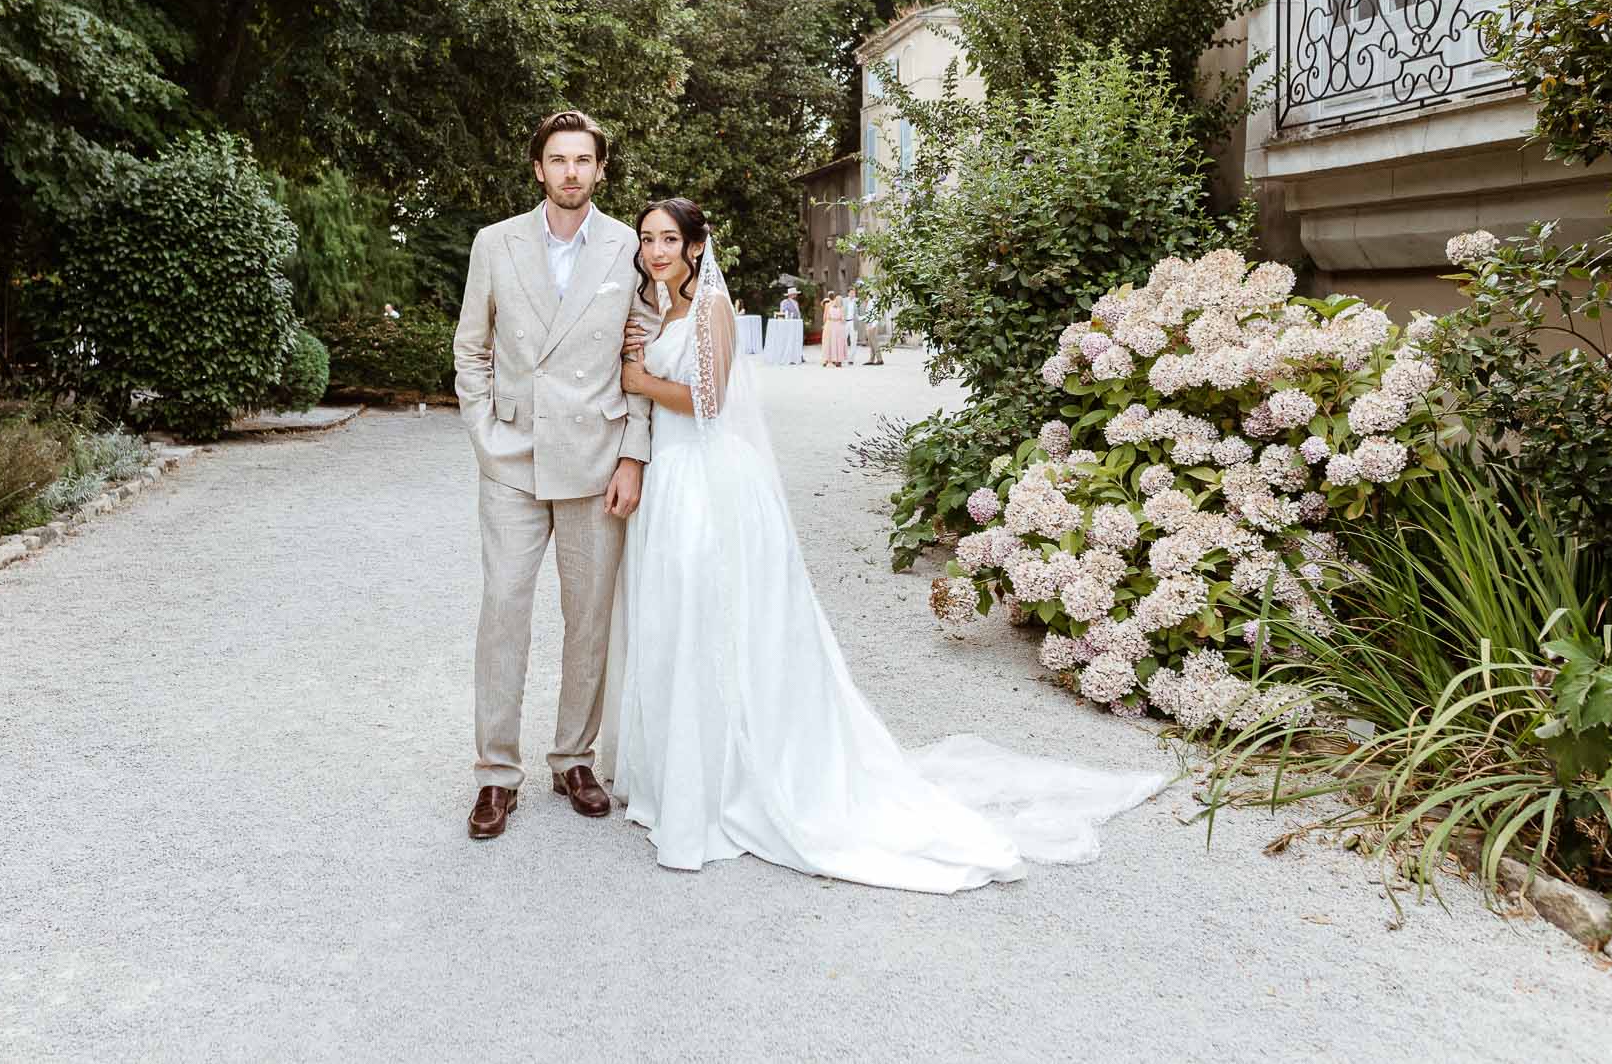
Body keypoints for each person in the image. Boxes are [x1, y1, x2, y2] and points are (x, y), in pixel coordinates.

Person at [607, 198, 1166, 893]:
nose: (656, 250)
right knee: (679, 621)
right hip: (671, 480)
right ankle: (685, 772)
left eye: (669, 238)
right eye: (647, 239)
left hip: (709, 480)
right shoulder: (660, 309)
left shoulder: (713, 308)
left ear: (697, 246)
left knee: (719, 621)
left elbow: (711, 401)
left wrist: (641, 380)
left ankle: (732, 777)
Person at [451, 109, 661, 841]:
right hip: (511, 455)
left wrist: (633, 454)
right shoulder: (495, 242)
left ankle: (574, 758)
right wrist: (483, 433)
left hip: (596, 459)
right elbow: (470, 347)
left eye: (584, 160)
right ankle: (495, 773)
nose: (572, 172)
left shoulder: (630, 246)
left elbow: (640, 360)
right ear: (538, 169)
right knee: (503, 609)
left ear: (600, 170)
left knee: (589, 616)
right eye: (559, 160)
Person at [820, 293, 849, 367]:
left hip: (838, 327)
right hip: (830, 325)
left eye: (840, 300)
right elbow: (826, 316)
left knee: (838, 343)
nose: (838, 301)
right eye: (837, 300)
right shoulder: (829, 306)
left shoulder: (841, 308)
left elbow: (843, 319)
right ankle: (828, 359)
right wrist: (825, 324)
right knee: (829, 342)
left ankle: (838, 360)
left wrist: (842, 319)